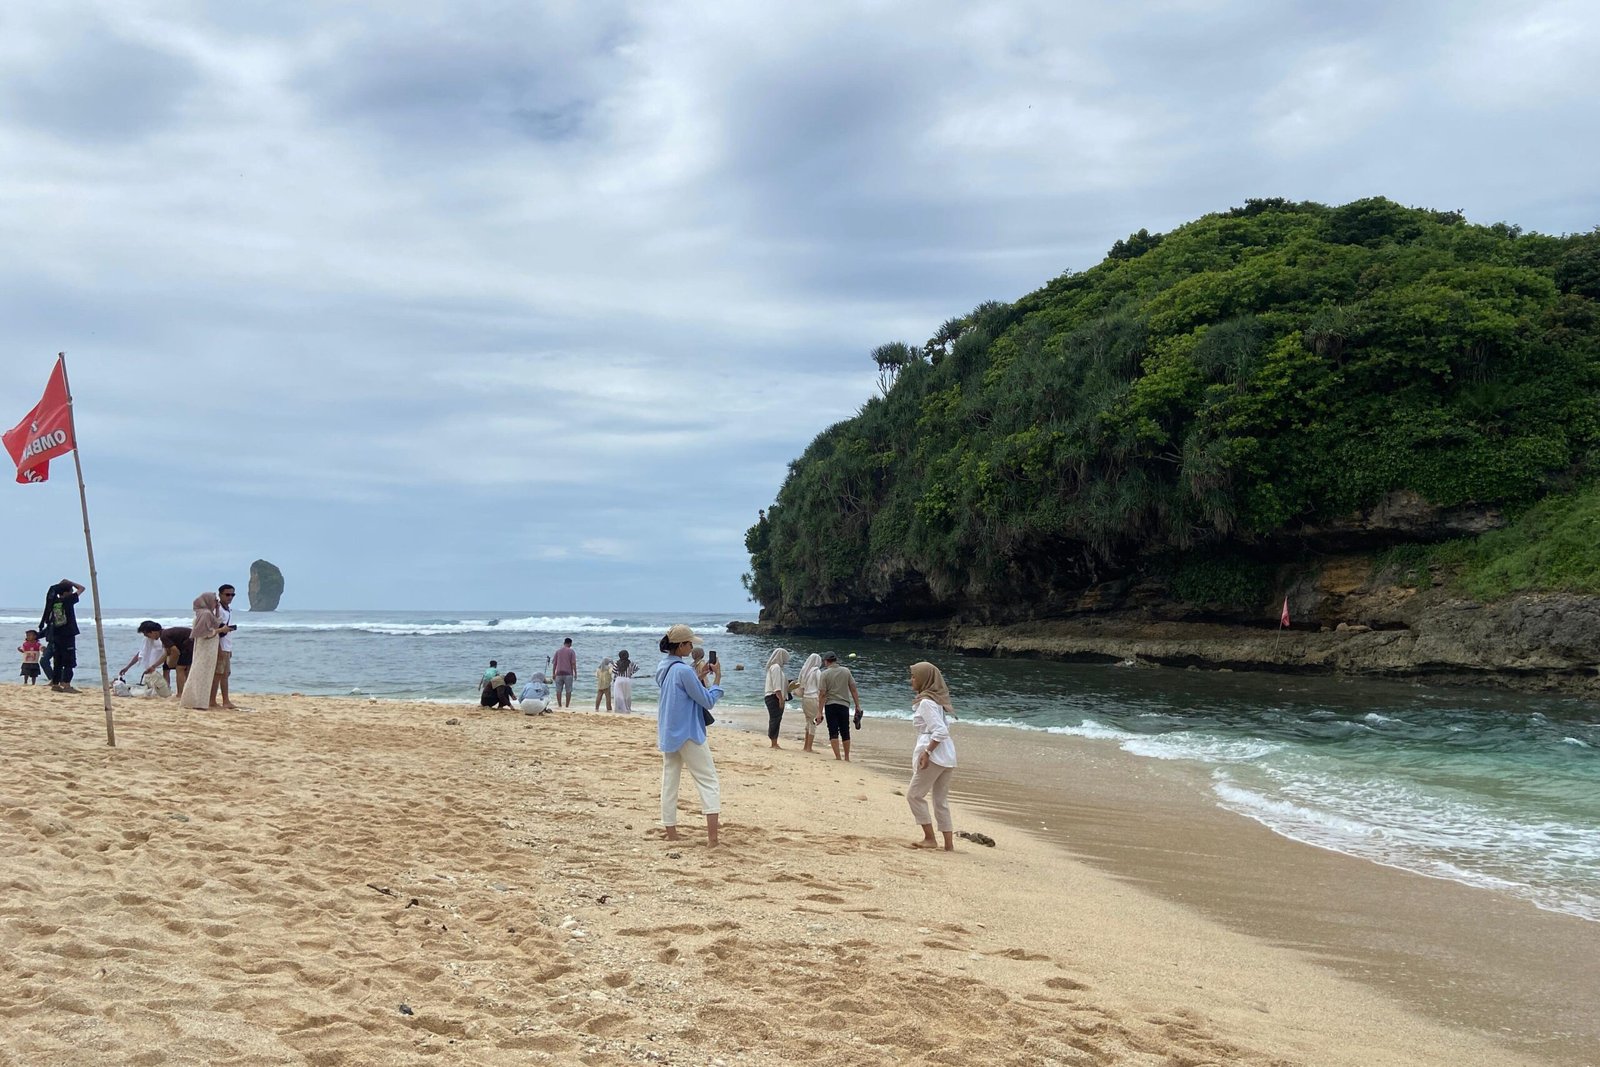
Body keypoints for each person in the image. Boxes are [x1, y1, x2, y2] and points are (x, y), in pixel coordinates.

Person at [655, 623, 723, 847]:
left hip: (669, 731)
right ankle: (712, 839)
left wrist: (699, 676)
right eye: (689, 643)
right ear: (681, 645)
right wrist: (717, 681)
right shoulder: (683, 670)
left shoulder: (664, 667)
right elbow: (707, 700)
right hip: (689, 733)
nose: (692, 646)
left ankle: (671, 831)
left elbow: (683, 690)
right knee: (708, 781)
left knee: (670, 781)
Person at [906, 661, 959, 851]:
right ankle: (948, 845)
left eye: (914, 676)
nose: (911, 680)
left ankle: (929, 838)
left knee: (914, 795)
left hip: (935, 753)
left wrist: (927, 752)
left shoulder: (927, 702)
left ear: (923, 679)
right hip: (947, 754)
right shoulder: (937, 700)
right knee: (940, 800)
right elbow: (944, 730)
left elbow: (940, 731)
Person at [180, 592, 227, 710]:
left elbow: (213, 623)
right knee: (200, 673)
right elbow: (205, 633)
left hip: (207, 647)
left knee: (204, 674)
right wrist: (221, 630)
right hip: (206, 648)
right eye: (215, 600)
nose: (217, 603)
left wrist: (216, 611)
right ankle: (196, 701)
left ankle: (198, 701)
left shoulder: (205, 613)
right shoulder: (205, 614)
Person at [39, 579, 85, 693]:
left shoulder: (53, 602)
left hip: (56, 635)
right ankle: (66, 685)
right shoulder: (68, 600)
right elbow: (82, 588)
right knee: (69, 661)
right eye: (70, 590)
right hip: (68, 635)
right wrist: (70, 582)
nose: (71, 592)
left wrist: (61, 585)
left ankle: (55, 684)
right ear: (66, 592)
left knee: (58, 661)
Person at [816, 651, 863, 761]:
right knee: (845, 730)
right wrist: (857, 705)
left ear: (827, 661)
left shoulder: (825, 674)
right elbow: (853, 689)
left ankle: (838, 757)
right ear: (836, 660)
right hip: (844, 705)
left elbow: (822, 694)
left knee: (833, 730)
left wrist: (819, 711)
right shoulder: (846, 671)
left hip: (830, 705)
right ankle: (847, 757)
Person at [117, 621, 170, 695]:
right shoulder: (148, 639)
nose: (146, 636)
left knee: (165, 681)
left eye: (146, 634)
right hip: (152, 668)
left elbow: (166, 653)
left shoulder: (165, 636)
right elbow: (141, 654)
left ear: (152, 632)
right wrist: (127, 667)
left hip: (162, 665)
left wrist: (155, 666)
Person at [211, 584, 241, 710]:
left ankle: (226, 700)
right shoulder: (217, 610)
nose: (230, 597)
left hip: (226, 645)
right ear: (220, 594)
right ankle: (211, 700)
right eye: (227, 594)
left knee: (225, 673)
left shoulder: (227, 609)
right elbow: (213, 628)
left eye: (232, 594)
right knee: (218, 673)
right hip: (220, 645)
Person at [763, 647, 790, 749]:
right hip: (774, 697)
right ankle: (773, 742)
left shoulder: (774, 667)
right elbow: (777, 686)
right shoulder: (776, 667)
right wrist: (781, 699)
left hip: (772, 696)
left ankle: (774, 741)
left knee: (775, 719)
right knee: (775, 719)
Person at [796, 652, 823, 752]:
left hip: (805, 698)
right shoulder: (817, 672)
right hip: (813, 698)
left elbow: (800, 685)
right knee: (813, 723)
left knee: (808, 721)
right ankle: (809, 747)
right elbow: (820, 687)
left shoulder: (804, 671)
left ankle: (805, 746)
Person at [160, 625, 194, 699]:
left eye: (147, 634)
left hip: (188, 643)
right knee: (187, 669)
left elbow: (176, 651)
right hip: (192, 641)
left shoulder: (163, 636)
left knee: (180, 668)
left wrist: (173, 663)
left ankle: (180, 693)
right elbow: (168, 652)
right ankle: (189, 692)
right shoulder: (167, 633)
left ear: (153, 632)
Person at [552, 638, 577, 708]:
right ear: (570, 643)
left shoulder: (558, 651)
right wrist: (575, 673)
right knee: (568, 690)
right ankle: (567, 706)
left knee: (558, 690)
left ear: (564, 643)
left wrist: (553, 673)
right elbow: (573, 663)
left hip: (559, 673)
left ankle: (559, 705)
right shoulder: (571, 651)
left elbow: (554, 664)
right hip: (568, 673)